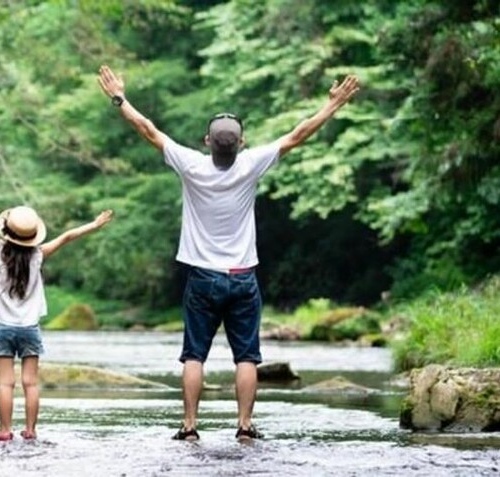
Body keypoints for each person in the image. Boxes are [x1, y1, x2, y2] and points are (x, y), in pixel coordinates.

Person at [96, 65, 359, 441]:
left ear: (207, 141)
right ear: (242, 143)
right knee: (247, 356)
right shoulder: (252, 164)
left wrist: (119, 97)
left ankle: (189, 427)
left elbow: (147, 130)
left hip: (202, 276)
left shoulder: (190, 165)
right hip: (243, 277)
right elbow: (298, 135)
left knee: (193, 355)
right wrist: (332, 105)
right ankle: (245, 426)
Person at [0, 199, 113, 441]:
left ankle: (5, 431)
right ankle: (30, 430)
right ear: (33, 236)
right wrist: (95, 224)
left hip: (3, 329)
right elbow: (68, 237)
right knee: (30, 384)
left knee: (5, 384)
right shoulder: (38, 255)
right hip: (30, 329)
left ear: (6, 231)